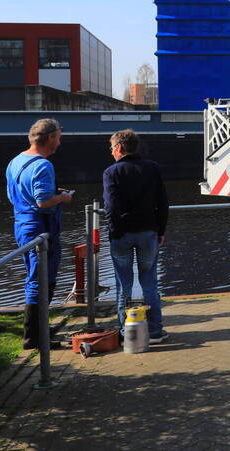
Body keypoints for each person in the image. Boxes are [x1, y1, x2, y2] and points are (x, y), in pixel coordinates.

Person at [6, 118, 71, 349]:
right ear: (51, 137)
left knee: (34, 277)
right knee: (42, 280)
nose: (60, 143)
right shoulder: (43, 165)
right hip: (40, 228)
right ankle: (33, 337)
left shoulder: (15, 161)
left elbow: (15, 196)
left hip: (22, 225)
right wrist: (63, 197)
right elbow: (43, 202)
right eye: (59, 138)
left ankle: (39, 329)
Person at [103, 129, 170, 344]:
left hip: (122, 234)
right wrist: (160, 230)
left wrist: (114, 232)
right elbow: (163, 203)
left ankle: (126, 333)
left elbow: (111, 206)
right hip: (148, 232)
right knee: (150, 282)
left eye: (112, 148)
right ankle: (155, 331)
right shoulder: (153, 169)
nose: (111, 152)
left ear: (120, 148)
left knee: (124, 285)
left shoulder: (111, 172)